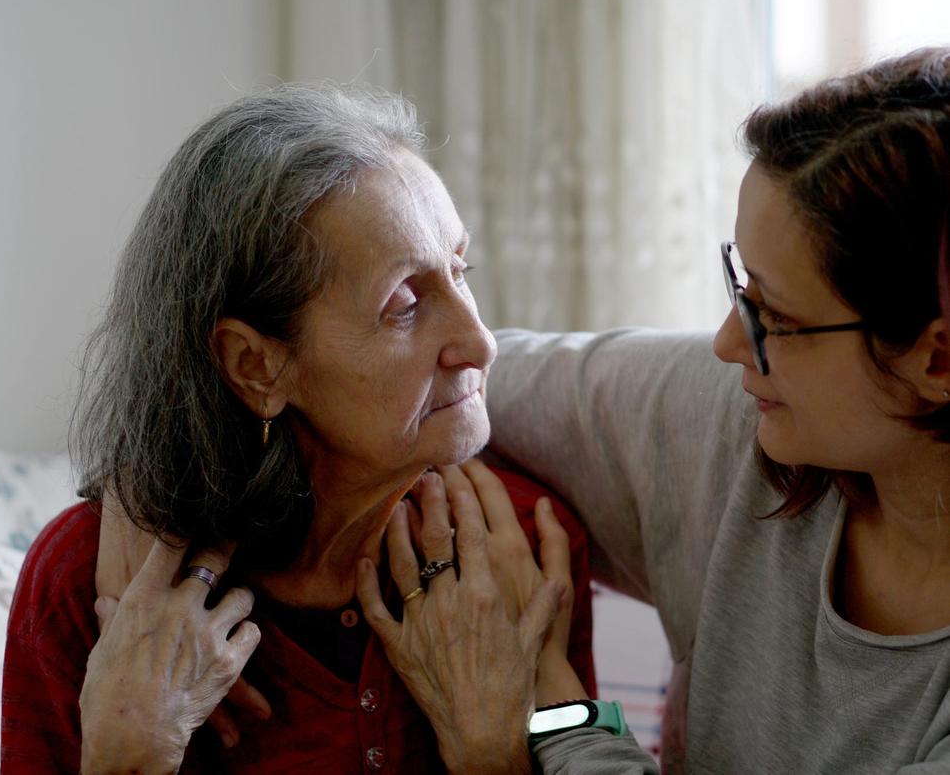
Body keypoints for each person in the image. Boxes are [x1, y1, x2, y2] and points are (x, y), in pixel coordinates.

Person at [361, 47, 950, 772]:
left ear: (937, 360)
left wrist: (541, 683)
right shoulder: (740, 418)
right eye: (740, 284)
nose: (730, 342)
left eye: (779, 319)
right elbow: (460, 374)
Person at [0, 83, 597, 774]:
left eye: (460, 271)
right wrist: (127, 760)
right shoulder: (86, 588)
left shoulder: (525, 548)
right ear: (257, 366)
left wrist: (498, 754)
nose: (481, 342)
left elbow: (581, 736)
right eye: (404, 303)